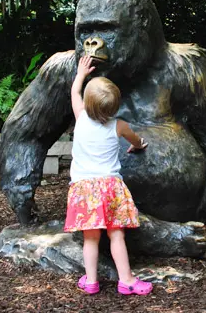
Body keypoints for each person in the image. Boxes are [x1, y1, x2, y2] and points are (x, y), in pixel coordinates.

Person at [64, 55, 153, 296]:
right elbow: (136, 140)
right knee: (116, 235)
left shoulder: (80, 117)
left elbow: (74, 92)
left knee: (90, 238)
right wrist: (138, 145)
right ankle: (127, 280)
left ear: (88, 103)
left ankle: (91, 281)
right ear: (115, 106)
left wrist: (82, 73)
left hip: (83, 189)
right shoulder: (119, 125)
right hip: (110, 188)